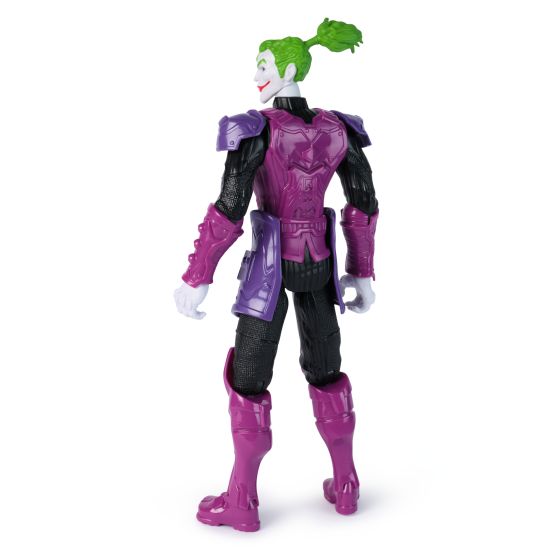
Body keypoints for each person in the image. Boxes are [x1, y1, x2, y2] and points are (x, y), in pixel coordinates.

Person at [175, 18, 379, 532]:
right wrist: (362, 272)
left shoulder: (256, 129)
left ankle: (242, 500)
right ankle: (347, 485)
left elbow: (229, 207)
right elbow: (363, 202)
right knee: (326, 372)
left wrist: (198, 275)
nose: (256, 75)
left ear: (288, 69)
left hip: (268, 268)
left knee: (248, 381)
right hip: (319, 266)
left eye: (263, 65)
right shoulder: (339, 129)